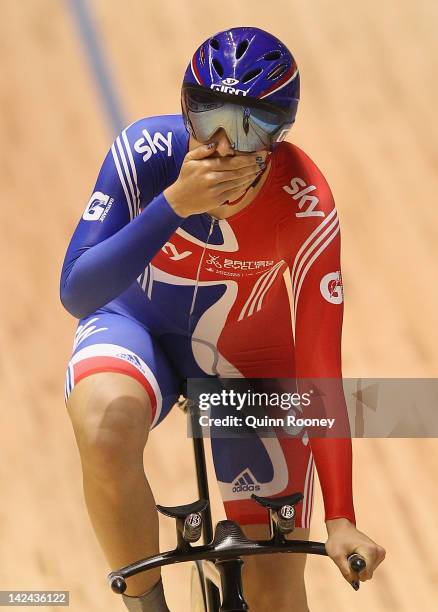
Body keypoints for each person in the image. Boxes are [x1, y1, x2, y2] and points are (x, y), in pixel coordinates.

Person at [60, 26, 385, 612]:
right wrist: (173, 205)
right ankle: (145, 605)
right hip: (135, 324)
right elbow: (78, 292)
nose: (222, 146)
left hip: (245, 360)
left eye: (248, 126)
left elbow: (320, 366)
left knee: (276, 595)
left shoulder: (306, 204)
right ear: (185, 109)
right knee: (104, 427)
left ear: (279, 136)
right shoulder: (145, 152)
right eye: (207, 117)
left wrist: (340, 516)